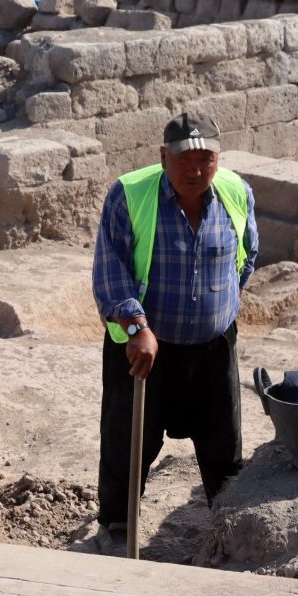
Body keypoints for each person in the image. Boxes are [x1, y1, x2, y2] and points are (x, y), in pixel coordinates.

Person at [89, 111, 259, 551]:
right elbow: (111, 271)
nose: (196, 170)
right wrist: (136, 324)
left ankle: (229, 531)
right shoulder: (130, 194)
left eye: (206, 159)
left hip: (212, 349)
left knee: (224, 447)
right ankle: (117, 528)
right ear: (164, 156)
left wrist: (222, 302)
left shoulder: (236, 193)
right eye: (185, 159)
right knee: (129, 444)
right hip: (146, 350)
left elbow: (248, 253)